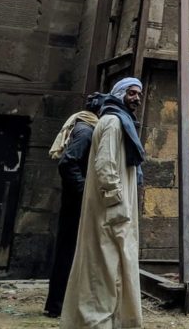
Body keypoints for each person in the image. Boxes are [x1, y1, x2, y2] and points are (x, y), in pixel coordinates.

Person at [61, 77, 146, 329]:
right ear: (120, 94)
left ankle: (113, 321)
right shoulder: (112, 122)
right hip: (111, 210)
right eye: (132, 93)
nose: (137, 99)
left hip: (116, 209)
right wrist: (115, 201)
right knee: (103, 268)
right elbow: (105, 165)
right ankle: (95, 322)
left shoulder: (120, 122)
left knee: (115, 267)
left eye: (139, 94)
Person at [44, 92, 104, 318]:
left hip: (73, 199)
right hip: (75, 201)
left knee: (68, 250)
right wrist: (84, 191)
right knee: (68, 251)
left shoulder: (83, 126)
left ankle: (58, 304)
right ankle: (58, 304)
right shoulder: (86, 131)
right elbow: (68, 163)